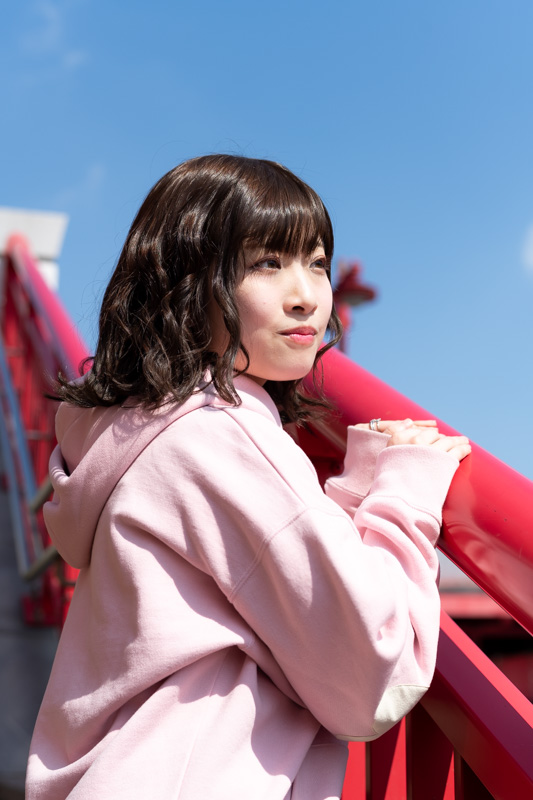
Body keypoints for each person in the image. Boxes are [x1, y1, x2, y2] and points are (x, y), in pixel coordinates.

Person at [26, 154, 471, 800]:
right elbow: (375, 676)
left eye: (316, 262)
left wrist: (357, 488)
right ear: (184, 284)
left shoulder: (142, 439)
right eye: (267, 263)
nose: (306, 294)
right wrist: (403, 494)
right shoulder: (223, 438)